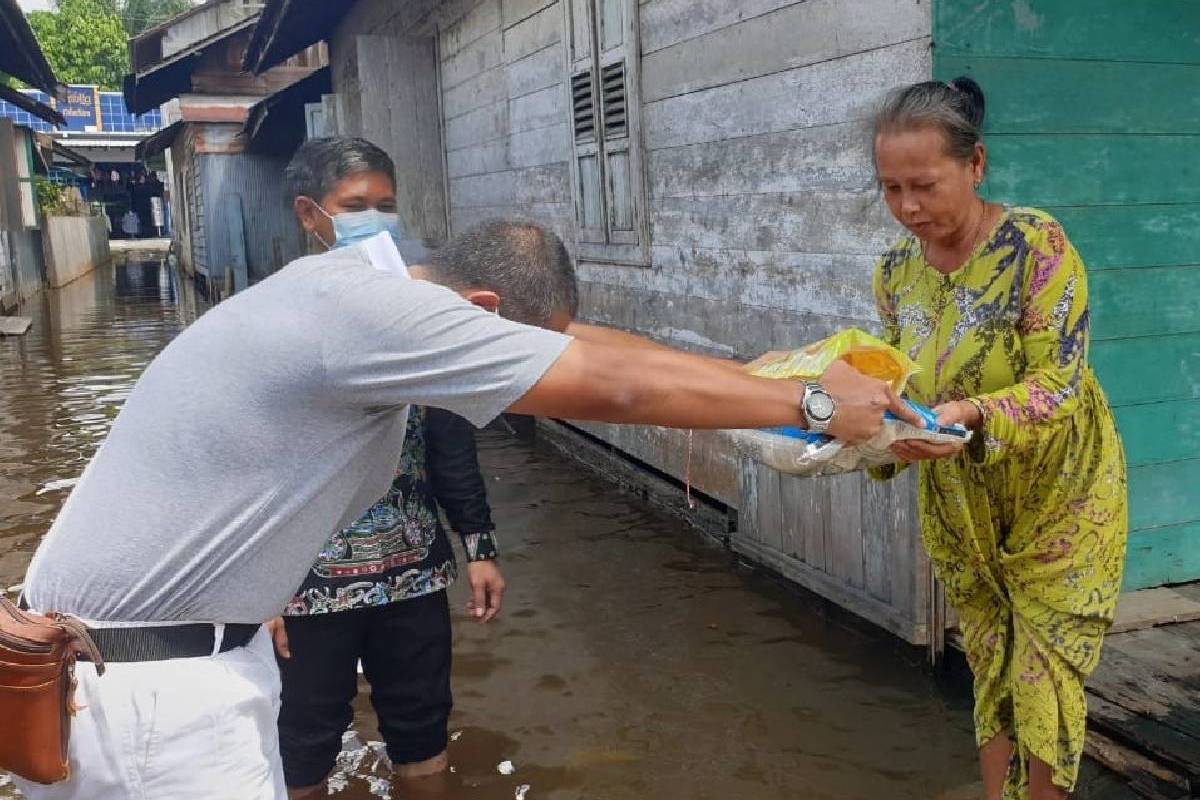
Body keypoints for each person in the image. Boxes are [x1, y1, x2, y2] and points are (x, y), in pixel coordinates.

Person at [17, 133, 914, 799]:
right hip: (150, 691)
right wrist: (817, 408)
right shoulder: (374, 315)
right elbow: (610, 388)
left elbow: (604, 350)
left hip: (152, 660)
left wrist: (782, 383)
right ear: (480, 309)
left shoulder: (376, 294)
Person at [869, 78, 1127, 800]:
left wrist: (973, 415)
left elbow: (1062, 383)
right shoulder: (894, 275)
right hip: (966, 509)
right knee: (993, 666)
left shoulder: (1035, 246)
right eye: (890, 189)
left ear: (975, 165)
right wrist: (882, 431)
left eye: (923, 185)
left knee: (1042, 677)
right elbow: (900, 384)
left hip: (1061, 498)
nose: (907, 208)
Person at [272, 142, 508, 798]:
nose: (375, 219)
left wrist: (479, 548)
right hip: (305, 583)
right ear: (310, 216)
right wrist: (254, 590)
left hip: (412, 574)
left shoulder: (416, 313)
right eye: (355, 207)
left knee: (423, 726)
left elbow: (449, 435)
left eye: (386, 206)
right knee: (305, 735)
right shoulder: (275, 320)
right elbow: (252, 462)